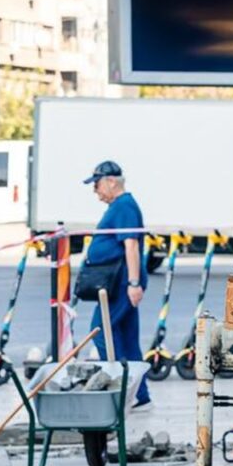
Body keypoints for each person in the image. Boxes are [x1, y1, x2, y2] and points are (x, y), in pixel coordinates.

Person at [81, 160, 150, 411]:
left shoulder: (123, 206)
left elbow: (131, 245)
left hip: (121, 283)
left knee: (101, 331)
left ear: (111, 182)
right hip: (120, 282)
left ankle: (122, 390)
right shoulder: (121, 206)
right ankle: (140, 396)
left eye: (97, 184)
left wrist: (133, 283)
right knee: (127, 338)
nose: (95, 191)